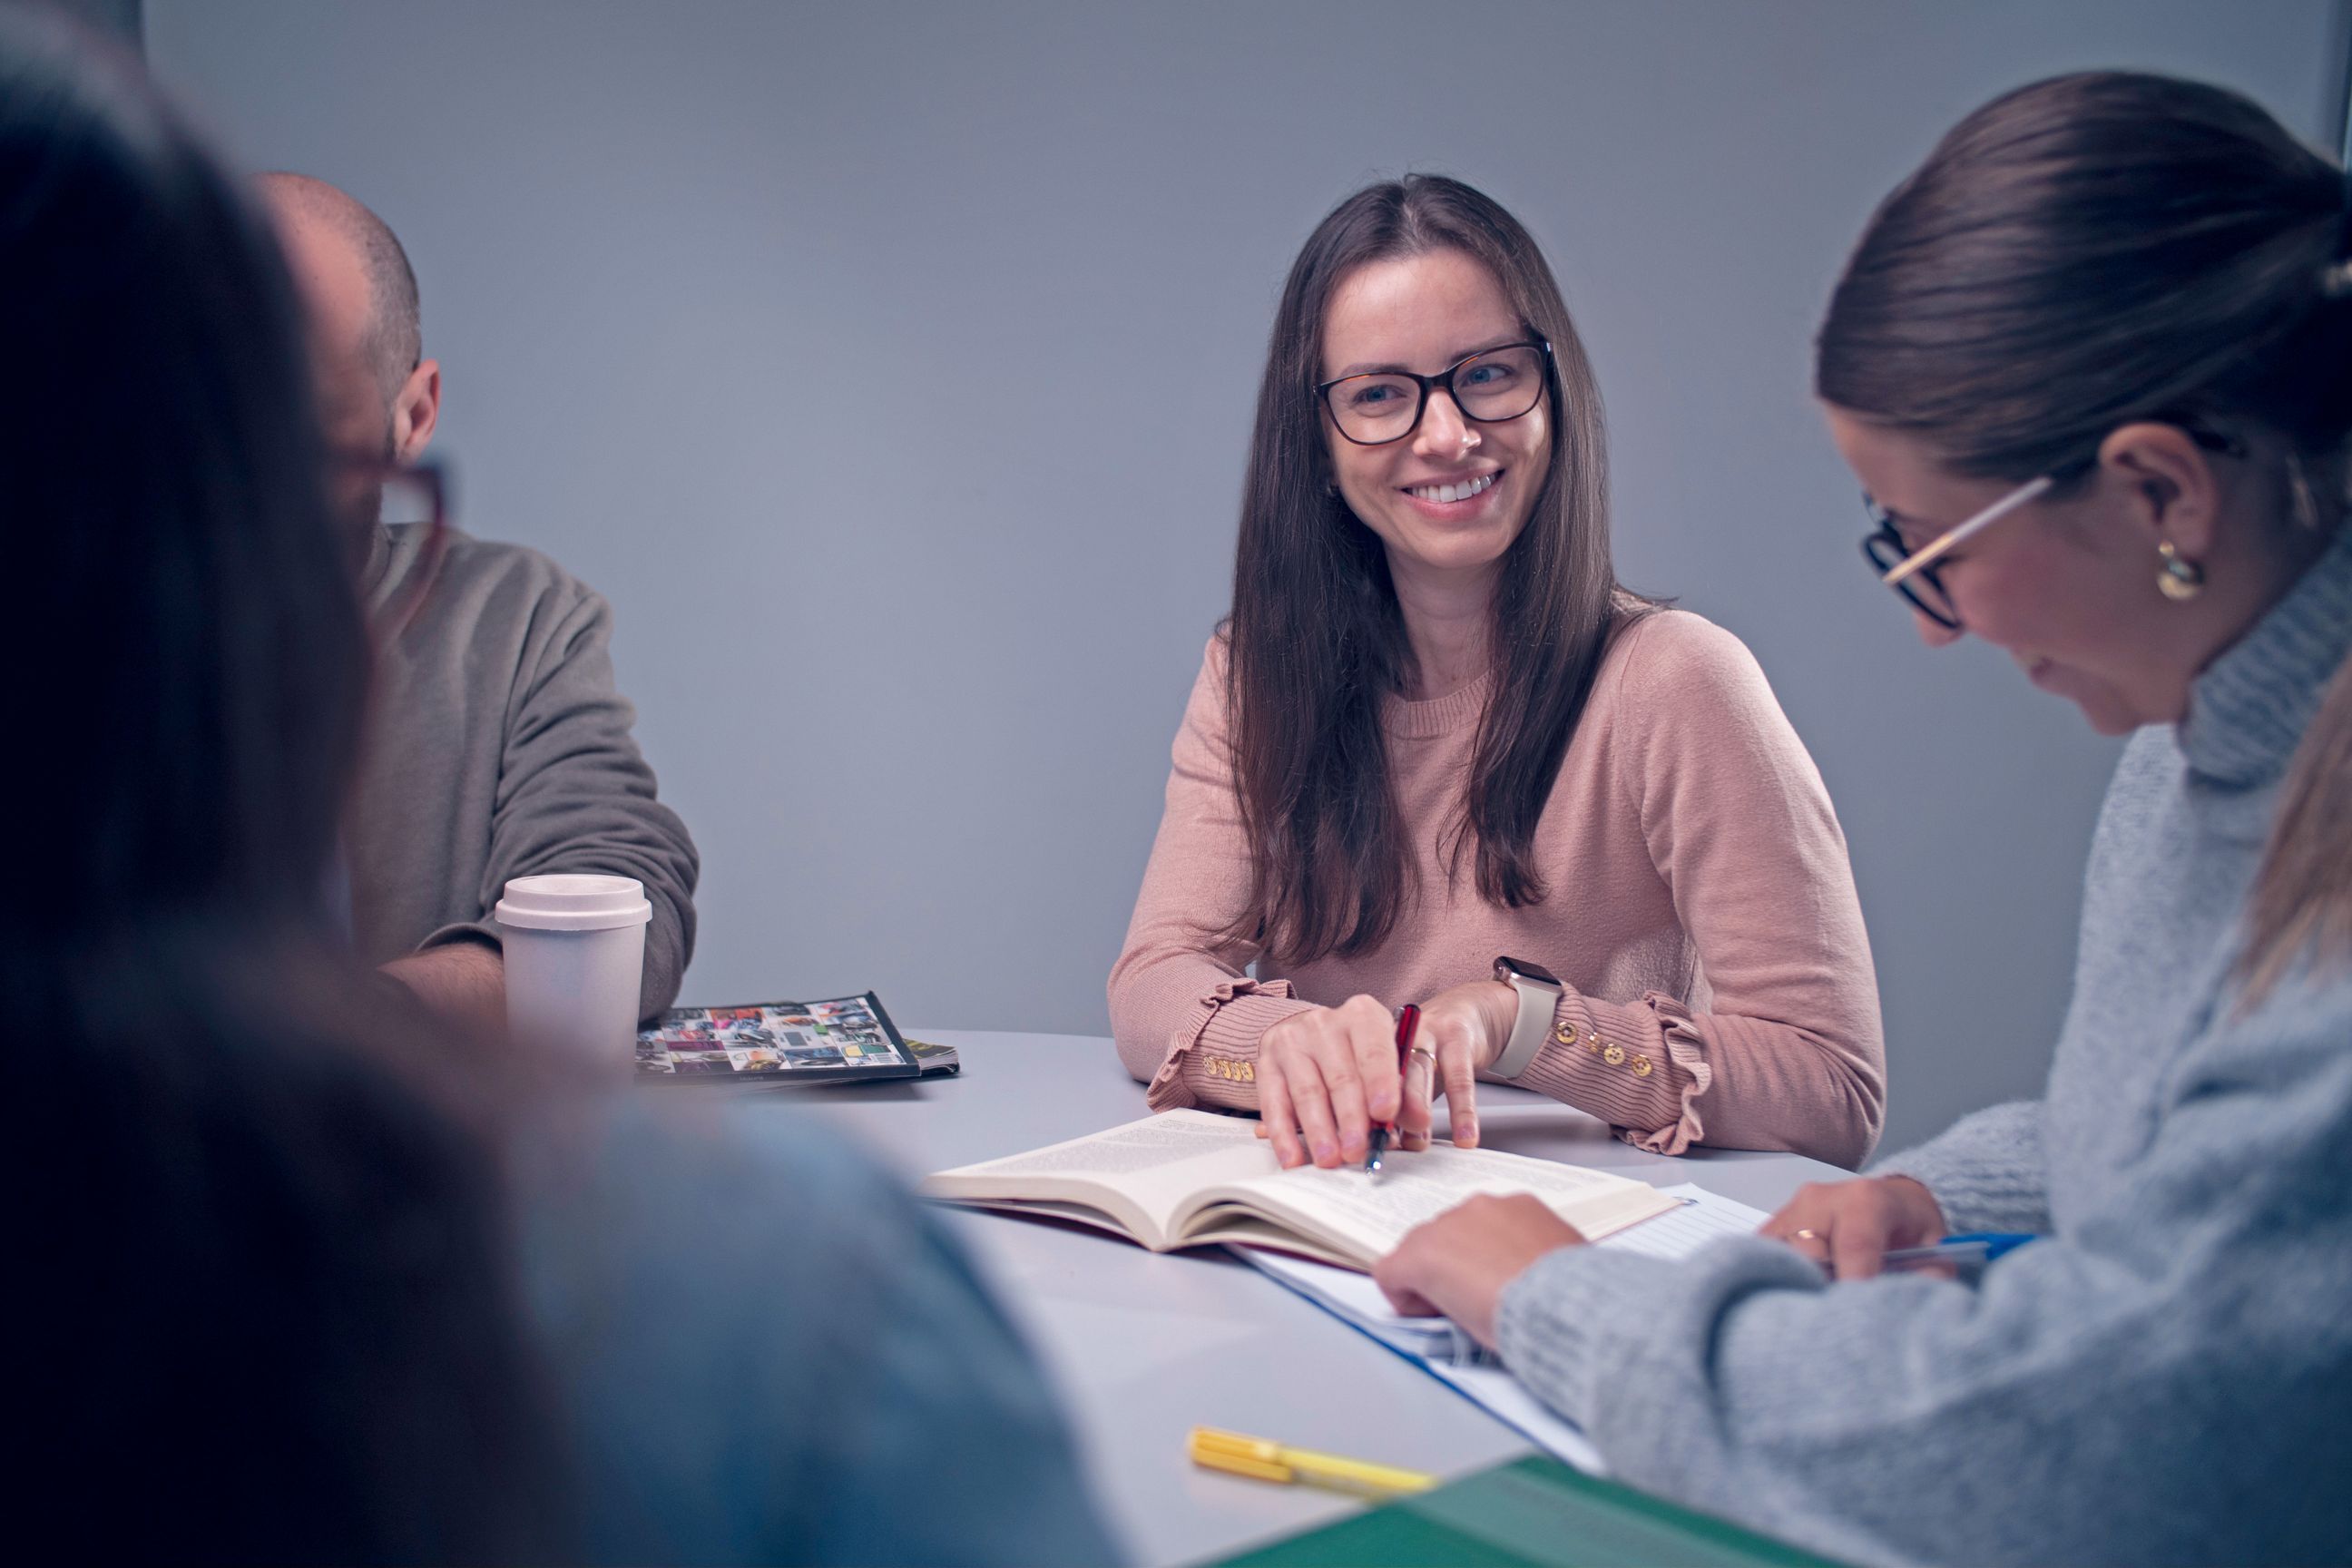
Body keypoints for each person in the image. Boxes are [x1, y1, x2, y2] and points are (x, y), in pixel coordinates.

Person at [3, 13, 1116, 1563]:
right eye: (209, 458)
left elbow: (624, 882)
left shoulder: (516, 613)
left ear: (413, 413)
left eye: (299, 452)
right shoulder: (763, 1294)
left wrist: (305, 1017)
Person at [1372, 73, 2352, 1568]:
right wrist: (1929, 1192)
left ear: (2160, 490)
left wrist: (1558, 1294)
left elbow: (2097, 1444)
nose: (1930, 627)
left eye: (1927, 547)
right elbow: (2174, 1145)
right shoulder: (2193, 747)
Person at [1109, 175, 1886, 1169]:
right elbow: (1152, 978)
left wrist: (1522, 1025)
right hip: (1343, 1211)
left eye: (1486, 374)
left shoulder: (1678, 680)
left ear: (1553, 392)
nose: (1447, 435)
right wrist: (1300, 1047)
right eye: (1380, 395)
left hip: (1587, 1242)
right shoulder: (1254, 676)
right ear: (1317, 440)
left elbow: (1831, 1085)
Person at [258, 170, 700, 1029]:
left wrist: (345, 1027)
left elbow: (619, 899)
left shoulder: (516, 622)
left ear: (413, 414)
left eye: (302, 418)